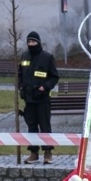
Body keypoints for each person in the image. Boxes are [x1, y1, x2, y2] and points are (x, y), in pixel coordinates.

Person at [19, 30, 60, 163]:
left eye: (34, 42)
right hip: (29, 99)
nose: (31, 44)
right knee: (31, 126)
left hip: (42, 99)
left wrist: (45, 87)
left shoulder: (47, 57)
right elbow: (20, 74)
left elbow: (54, 77)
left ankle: (47, 153)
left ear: (38, 42)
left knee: (44, 126)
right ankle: (33, 152)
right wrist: (20, 86)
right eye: (29, 42)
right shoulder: (24, 56)